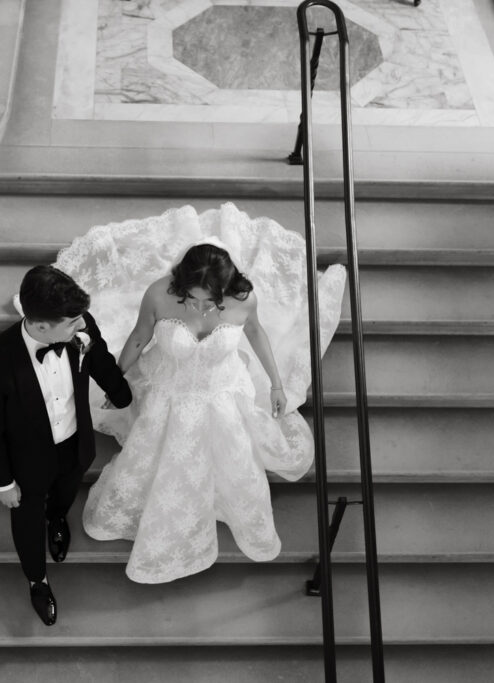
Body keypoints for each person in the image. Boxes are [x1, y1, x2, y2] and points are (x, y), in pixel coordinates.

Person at [53, 203, 346, 584]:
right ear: (180, 282)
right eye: (194, 298)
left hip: (222, 388)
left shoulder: (244, 299)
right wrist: (116, 380)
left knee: (232, 450)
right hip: (169, 390)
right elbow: (140, 337)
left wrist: (275, 382)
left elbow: (256, 334)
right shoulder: (159, 294)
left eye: (212, 300)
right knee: (156, 449)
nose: (203, 307)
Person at [0, 265, 132, 624]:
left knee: (67, 489)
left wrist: (121, 395)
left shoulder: (79, 323)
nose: (81, 326)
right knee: (27, 522)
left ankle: (57, 518)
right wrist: (3, 482)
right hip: (26, 460)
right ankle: (37, 580)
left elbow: (99, 357)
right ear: (42, 327)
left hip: (75, 442)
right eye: (72, 323)